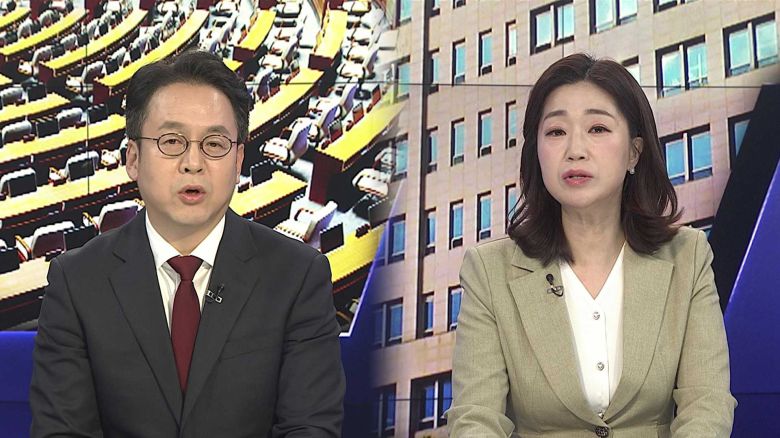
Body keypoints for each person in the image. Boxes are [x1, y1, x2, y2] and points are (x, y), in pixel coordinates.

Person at [29, 50, 345, 437]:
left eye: (214, 144)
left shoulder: (298, 276)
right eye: (171, 141)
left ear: (238, 160)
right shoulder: (76, 281)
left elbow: (310, 428)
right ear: (133, 158)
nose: (193, 163)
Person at [447, 53, 735, 437]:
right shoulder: (489, 271)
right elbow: (475, 418)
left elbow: (706, 405)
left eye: (597, 128)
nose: (575, 150)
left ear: (634, 152)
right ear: (536, 151)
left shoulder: (688, 256)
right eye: (556, 132)